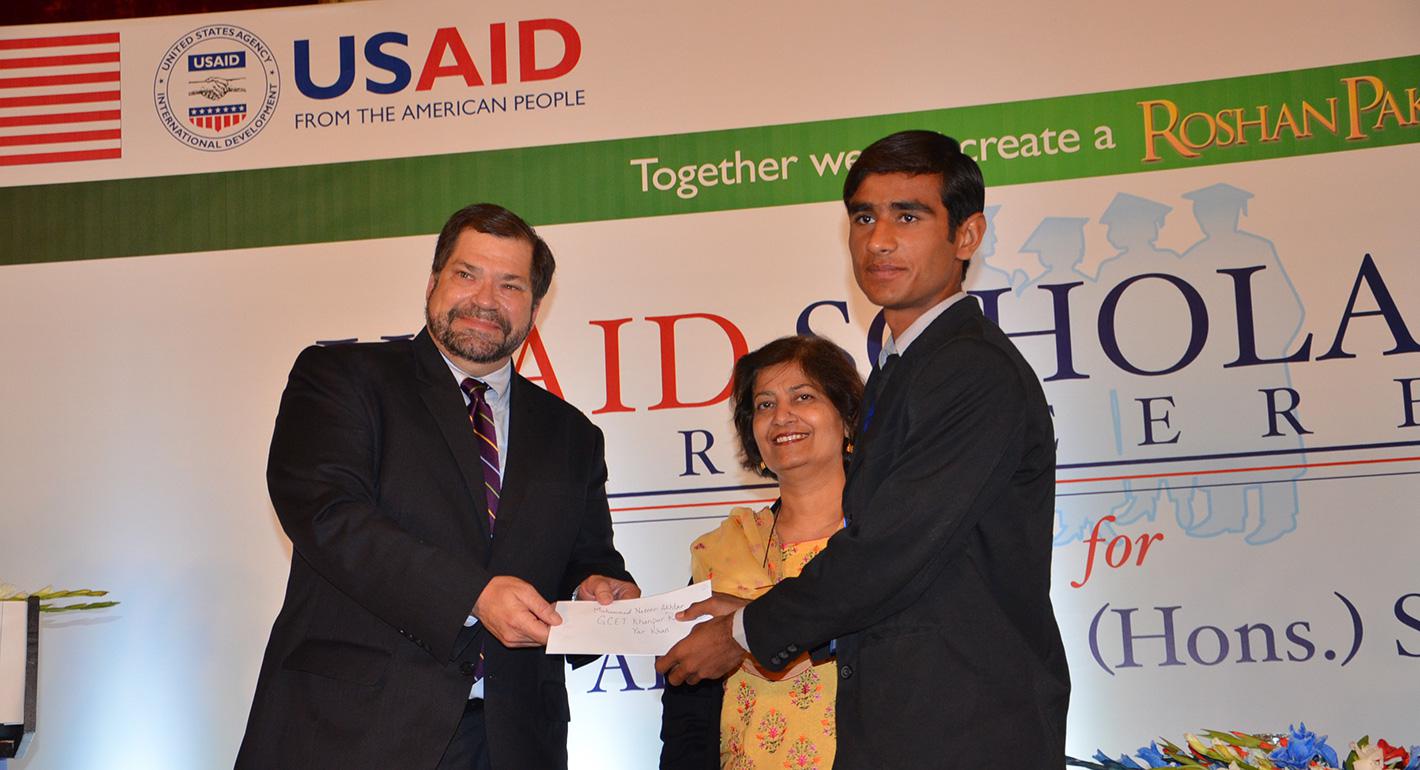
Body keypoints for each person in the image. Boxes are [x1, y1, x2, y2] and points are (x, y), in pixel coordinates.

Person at [657, 130, 1070, 767]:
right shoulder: (900, 370)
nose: (878, 240)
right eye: (863, 217)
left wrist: (744, 632)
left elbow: (890, 550)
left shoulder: (970, 368)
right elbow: (911, 576)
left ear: (967, 235)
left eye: (909, 216)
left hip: (963, 733)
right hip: (909, 728)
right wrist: (752, 617)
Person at [237, 203, 638, 770]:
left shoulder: (572, 434)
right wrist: (474, 594)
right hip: (354, 731)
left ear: (535, 308)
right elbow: (328, 515)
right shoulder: (343, 378)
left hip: (517, 741)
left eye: (510, 285)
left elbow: (587, 558)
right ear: (432, 283)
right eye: (467, 274)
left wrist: (598, 590)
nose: (485, 300)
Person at [660, 335, 864, 769]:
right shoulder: (724, 549)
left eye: (803, 396)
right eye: (765, 404)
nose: (781, 416)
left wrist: (746, 626)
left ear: (847, 418)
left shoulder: (886, 541)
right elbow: (688, 715)